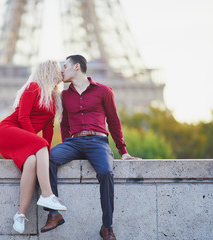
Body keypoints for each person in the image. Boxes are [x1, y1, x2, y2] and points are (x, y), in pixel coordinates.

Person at [41, 55, 141, 240]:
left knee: (106, 173)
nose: (62, 71)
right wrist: (66, 146)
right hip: (74, 142)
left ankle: (107, 226)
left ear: (76, 67)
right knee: (48, 158)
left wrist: (123, 151)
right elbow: (64, 125)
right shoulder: (64, 96)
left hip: (98, 143)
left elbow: (113, 121)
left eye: (65, 66)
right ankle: (54, 213)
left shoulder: (104, 91)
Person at [0, 60, 67, 234]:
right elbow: (23, 117)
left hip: (24, 139)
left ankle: (20, 214)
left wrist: (44, 157)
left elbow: (49, 129)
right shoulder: (33, 87)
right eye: (58, 69)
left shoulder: (54, 98)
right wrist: (37, 143)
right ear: (49, 71)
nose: (61, 73)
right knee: (40, 145)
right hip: (6, 132)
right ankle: (47, 195)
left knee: (32, 161)